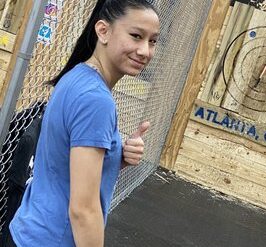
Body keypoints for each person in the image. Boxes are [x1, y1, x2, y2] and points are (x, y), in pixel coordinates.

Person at [7, 0, 160, 246]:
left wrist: (116, 156)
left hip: (28, 231)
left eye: (152, 41)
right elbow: (83, 211)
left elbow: (64, 164)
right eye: (136, 36)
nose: (145, 50)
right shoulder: (96, 100)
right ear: (103, 31)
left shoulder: (77, 75)